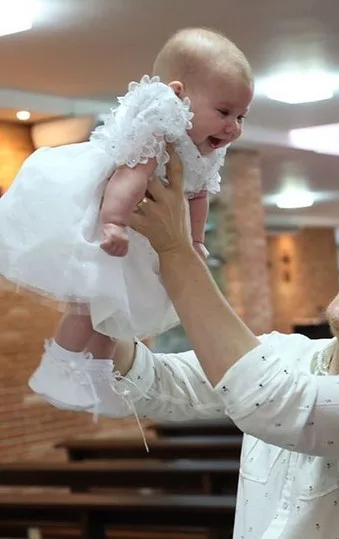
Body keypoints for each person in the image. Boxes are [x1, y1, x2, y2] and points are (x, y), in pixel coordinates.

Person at [39, 149, 339, 538]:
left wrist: (177, 249)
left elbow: (273, 400)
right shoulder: (288, 353)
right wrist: (103, 278)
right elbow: (154, 382)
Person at [0, 28, 253, 414]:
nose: (233, 127)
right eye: (223, 112)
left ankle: (101, 376)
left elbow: (198, 195)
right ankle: (60, 364)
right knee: (88, 306)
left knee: (118, 315)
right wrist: (113, 222)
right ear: (179, 95)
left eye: (240, 116)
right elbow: (130, 175)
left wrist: (196, 241)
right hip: (110, 219)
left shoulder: (206, 150)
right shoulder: (161, 128)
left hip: (143, 231)